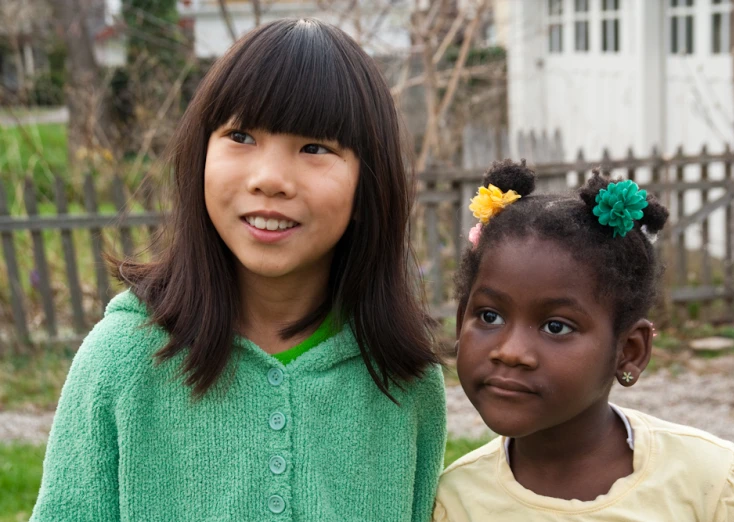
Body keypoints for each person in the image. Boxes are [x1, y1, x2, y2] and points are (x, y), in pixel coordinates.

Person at [32, 18, 446, 521]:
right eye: (241, 135)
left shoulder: (404, 377)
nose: (270, 179)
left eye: (315, 148)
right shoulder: (121, 359)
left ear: (368, 188)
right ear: (199, 156)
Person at [433, 159, 734, 521]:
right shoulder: (454, 503)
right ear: (461, 323)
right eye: (490, 317)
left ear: (629, 351)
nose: (510, 352)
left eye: (556, 327)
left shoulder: (713, 485)